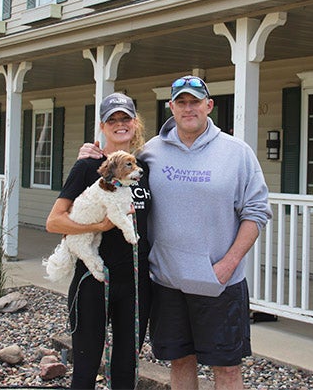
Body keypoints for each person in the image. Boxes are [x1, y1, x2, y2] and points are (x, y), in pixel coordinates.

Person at [79, 76, 272, 390]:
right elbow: (117, 172)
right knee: (180, 362)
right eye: (181, 102)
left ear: (209, 105)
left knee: (226, 369)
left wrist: (227, 265)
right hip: (167, 284)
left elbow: (257, 211)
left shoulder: (237, 152)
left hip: (219, 284)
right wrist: (91, 154)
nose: (188, 108)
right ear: (171, 107)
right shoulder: (151, 153)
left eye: (195, 101)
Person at [46, 92, 152, 390]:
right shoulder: (87, 167)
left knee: (126, 365)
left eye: (125, 118)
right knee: (86, 362)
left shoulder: (144, 168)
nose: (120, 125)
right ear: (103, 127)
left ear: (134, 123)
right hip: (92, 281)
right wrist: (101, 225)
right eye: (112, 120)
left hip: (135, 280)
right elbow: (54, 222)